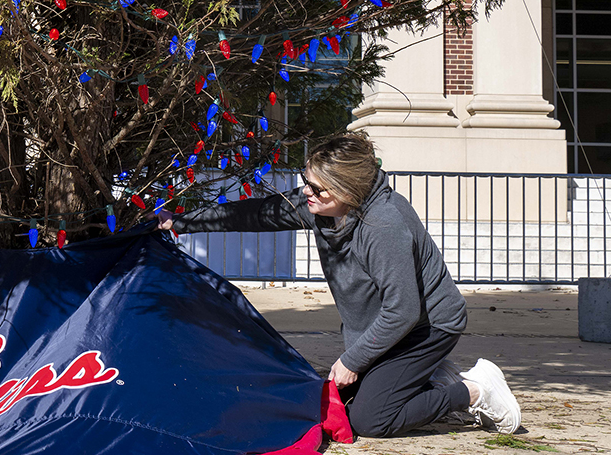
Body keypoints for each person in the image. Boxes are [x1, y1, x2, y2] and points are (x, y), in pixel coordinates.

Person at [160, 132, 521, 438]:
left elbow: (404, 310)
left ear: (348, 189)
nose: (306, 192)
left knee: (371, 420)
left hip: (427, 326)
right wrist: (181, 222)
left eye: (316, 187)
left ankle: (473, 390)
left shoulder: (383, 227)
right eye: (306, 181)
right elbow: (256, 213)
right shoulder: (320, 205)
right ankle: (426, 379)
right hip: (391, 326)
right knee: (342, 403)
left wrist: (353, 359)